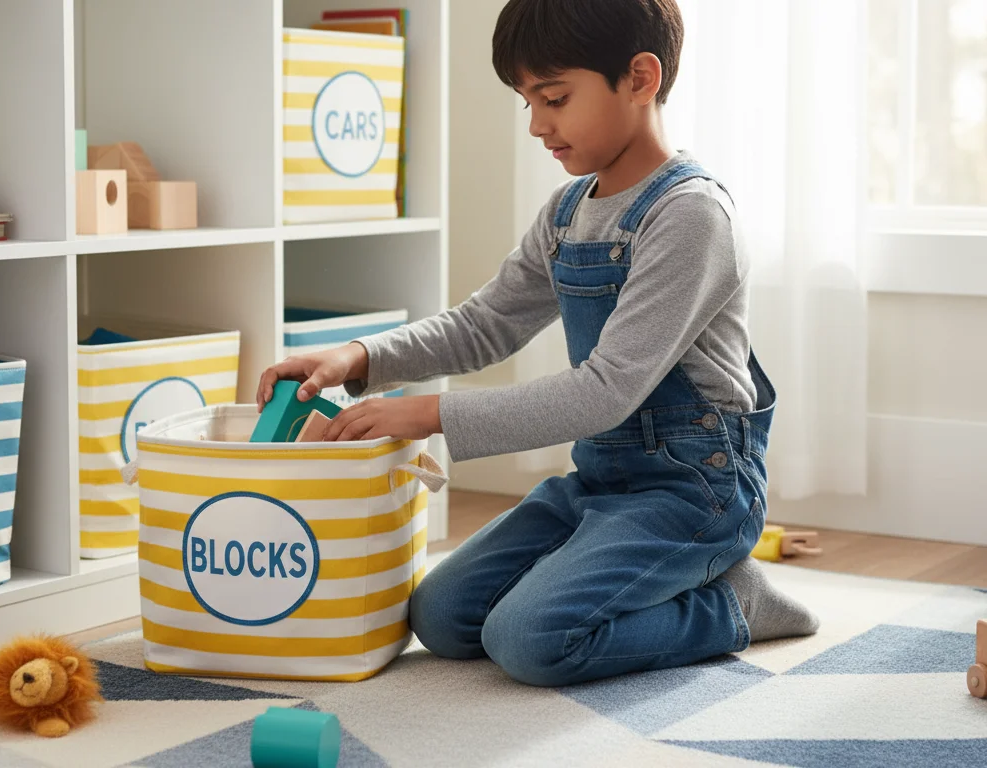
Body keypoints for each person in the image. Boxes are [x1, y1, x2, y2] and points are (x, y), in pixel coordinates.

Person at [256, 0, 818, 687]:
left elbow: (605, 392)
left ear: (640, 77)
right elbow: (483, 325)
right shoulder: (568, 211)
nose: (536, 125)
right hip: (602, 482)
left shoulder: (691, 216)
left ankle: (733, 603)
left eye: (554, 97)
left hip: (695, 491)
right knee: (442, 618)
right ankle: (635, 568)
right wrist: (360, 358)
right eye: (527, 101)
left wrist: (429, 414)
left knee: (530, 640)